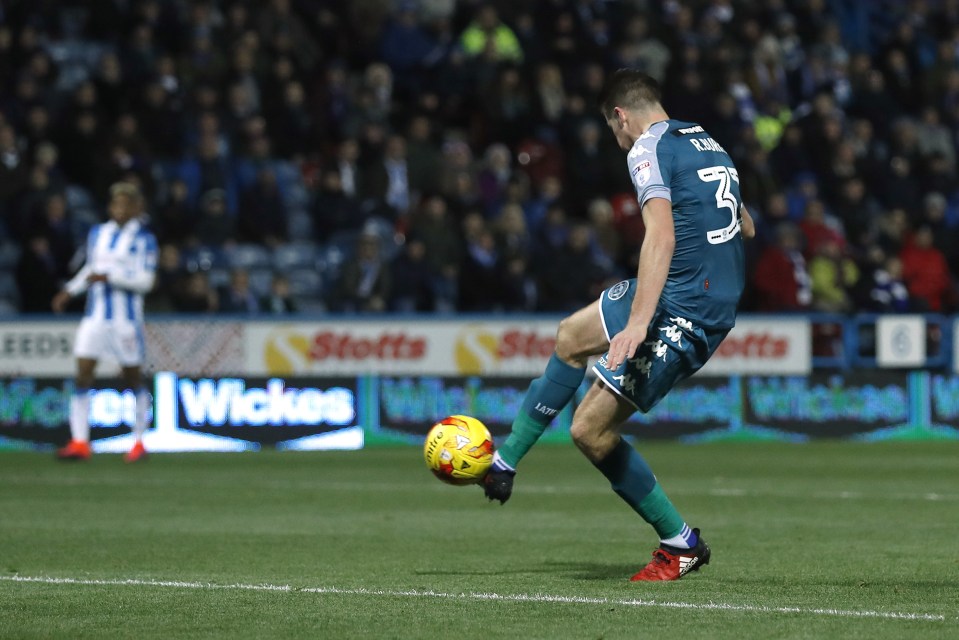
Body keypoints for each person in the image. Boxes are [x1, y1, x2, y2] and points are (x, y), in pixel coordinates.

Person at [482, 70, 755, 582]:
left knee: (588, 430)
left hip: (690, 309)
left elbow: (660, 237)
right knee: (569, 338)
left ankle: (681, 543)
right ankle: (505, 462)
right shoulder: (708, 142)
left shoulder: (646, 149)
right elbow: (746, 221)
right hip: (687, 287)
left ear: (620, 116)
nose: (617, 140)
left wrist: (637, 324)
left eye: (613, 129)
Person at [51, 182, 158, 463]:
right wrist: (69, 291)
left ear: (136, 208)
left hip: (126, 320)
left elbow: (146, 282)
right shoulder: (99, 233)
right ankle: (80, 441)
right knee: (83, 374)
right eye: (115, 204)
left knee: (133, 377)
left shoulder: (144, 240)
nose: (119, 209)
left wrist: (111, 278)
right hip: (95, 316)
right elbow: (91, 267)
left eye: (125, 204)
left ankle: (138, 441)